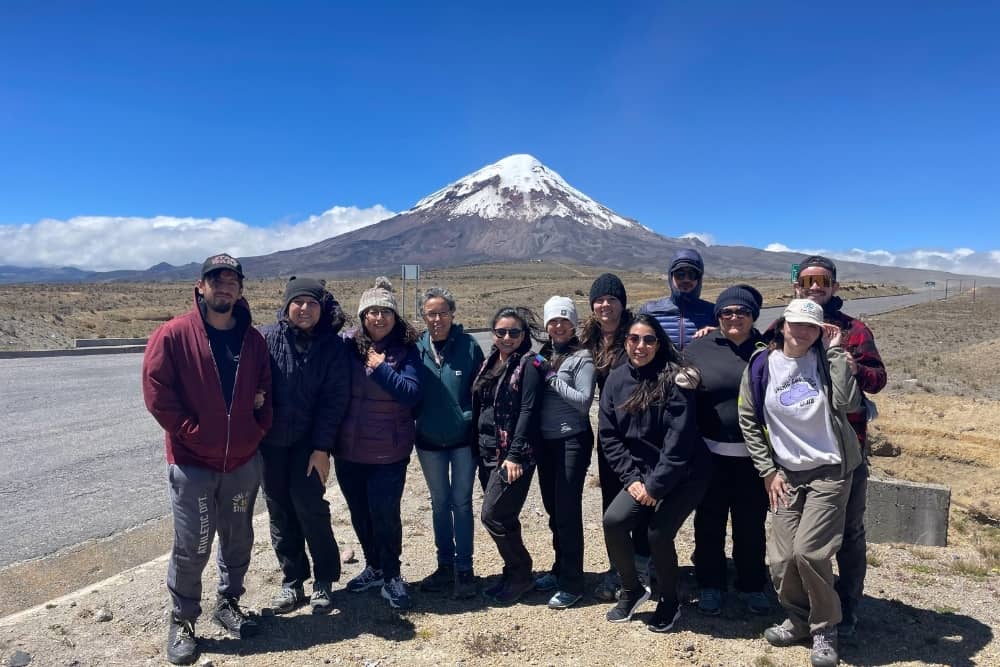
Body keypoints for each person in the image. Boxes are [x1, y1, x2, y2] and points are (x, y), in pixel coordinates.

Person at [142, 253, 272, 666]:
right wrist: (191, 432)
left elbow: (266, 390)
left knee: (239, 538)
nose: (224, 286)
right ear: (201, 287)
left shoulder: (252, 340)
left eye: (232, 279)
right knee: (193, 545)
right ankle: (183, 619)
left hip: (241, 463)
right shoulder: (175, 335)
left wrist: (255, 428)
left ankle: (229, 603)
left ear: (240, 288)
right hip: (193, 464)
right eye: (216, 279)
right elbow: (157, 391)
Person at [739, 299, 862, 667]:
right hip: (786, 474)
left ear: (820, 329)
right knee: (781, 558)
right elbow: (747, 417)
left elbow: (848, 402)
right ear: (783, 325)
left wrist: (837, 351)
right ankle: (798, 619)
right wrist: (767, 470)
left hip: (830, 470)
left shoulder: (825, 360)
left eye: (811, 326)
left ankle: (825, 627)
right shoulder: (762, 365)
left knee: (810, 552)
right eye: (796, 324)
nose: (802, 331)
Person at [790, 255, 887, 637]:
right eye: (808, 280)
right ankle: (802, 607)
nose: (816, 288)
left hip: (847, 449)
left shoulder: (853, 330)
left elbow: (878, 380)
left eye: (823, 281)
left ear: (834, 286)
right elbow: (759, 358)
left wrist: (854, 365)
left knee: (848, 532)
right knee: (798, 532)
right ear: (795, 285)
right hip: (798, 448)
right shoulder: (784, 324)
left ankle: (847, 606)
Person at [600, 313, 710, 632]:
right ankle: (633, 589)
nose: (641, 345)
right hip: (642, 474)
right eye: (634, 339)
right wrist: (632, 480)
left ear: (658, 344)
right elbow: (609, 436)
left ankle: (669, 601)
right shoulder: (616, 380)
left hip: (686, 472)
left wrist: (654, 487)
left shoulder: (674, 378)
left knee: (658, 533)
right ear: (626, 342)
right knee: (614, 522)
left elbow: (679, 440)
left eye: (649, 339)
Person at [259, 277, 349, 615]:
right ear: (286, 305)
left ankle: (324, 578)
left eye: (311, 303)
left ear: (321, 308)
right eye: (298, 302)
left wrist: (321, 447)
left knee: (311, 509)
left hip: (308, 445)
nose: (304, 309)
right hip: (270, 445)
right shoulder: (267, 339)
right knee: (280, 513)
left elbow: (334, 400)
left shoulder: (332, 346)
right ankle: (292, 580)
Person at [335, 277, 421, 611]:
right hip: (349, 451)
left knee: (385, 514)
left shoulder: (406, 352)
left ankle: (393, 576)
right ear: (362, 317)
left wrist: (380, 368)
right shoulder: (347, 346)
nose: (378, 318)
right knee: (360, 514)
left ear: (394, 317)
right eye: (371, 312)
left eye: (385, 311)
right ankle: (374, 566)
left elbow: (412, 393)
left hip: (389, 451)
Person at [684, 285, 770, 617]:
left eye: (742, 312)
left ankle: (751, 585)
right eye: (726, 312)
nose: (734, 318)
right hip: (709, 456)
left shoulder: (767, 350)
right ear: (717, 316)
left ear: (753, 317)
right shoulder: (699, 347)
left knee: (751, 525)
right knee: (709, 523)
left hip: (754, 458)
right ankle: (710, 585)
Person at [579, 273, 650, 601]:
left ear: (623, 303)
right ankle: (619, 569)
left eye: (612, 299)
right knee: (612, 501)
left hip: (645, 433)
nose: (606, 305)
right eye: (600, 300)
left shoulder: (637, 335)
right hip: (610, 435)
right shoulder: (590, 340)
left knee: (644, 502)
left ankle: (646, 566)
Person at [414, 287, 485, 599]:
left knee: (462, 502)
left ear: (453, 314)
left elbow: (482, 390)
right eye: (431, 313)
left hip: (462, 442)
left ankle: (465, 569)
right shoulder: (416, 347)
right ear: (424, 317)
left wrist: (470, 419)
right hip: (428, 441)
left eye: (443, 312)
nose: (437, 318)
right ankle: (444, 567)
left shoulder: (468, 347)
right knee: (440, 504)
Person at [471, 306, 543, 605]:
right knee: (505, 516)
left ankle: (522, 572)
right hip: (487, 451)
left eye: (514, 332)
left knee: (492, 515)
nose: (507, 337)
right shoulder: (491, 362)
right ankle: (514, 573)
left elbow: (528, 410)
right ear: (493, 334)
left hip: (513, 457)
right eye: (501, 332)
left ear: (524, 335)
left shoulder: (531, 364)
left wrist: (513, 456)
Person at [532, 296, 596, 609]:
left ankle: (573, 582)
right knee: (553, 509)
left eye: (563, 320)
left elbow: (583, 402)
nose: (558, 326)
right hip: (546, 442)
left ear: (573, 324)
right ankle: (559, 569)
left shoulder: (582, 357)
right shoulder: (545, 354)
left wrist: (552, 377)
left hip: (572, 440)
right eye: (552, 321)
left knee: (568, 511)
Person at [638, 248, 715, 351]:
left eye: (692, 274)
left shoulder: (713, 312)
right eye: (680, 274)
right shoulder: (650, 311)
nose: (686, 279)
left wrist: (719, 333)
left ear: (699, 279)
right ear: (671, 277)